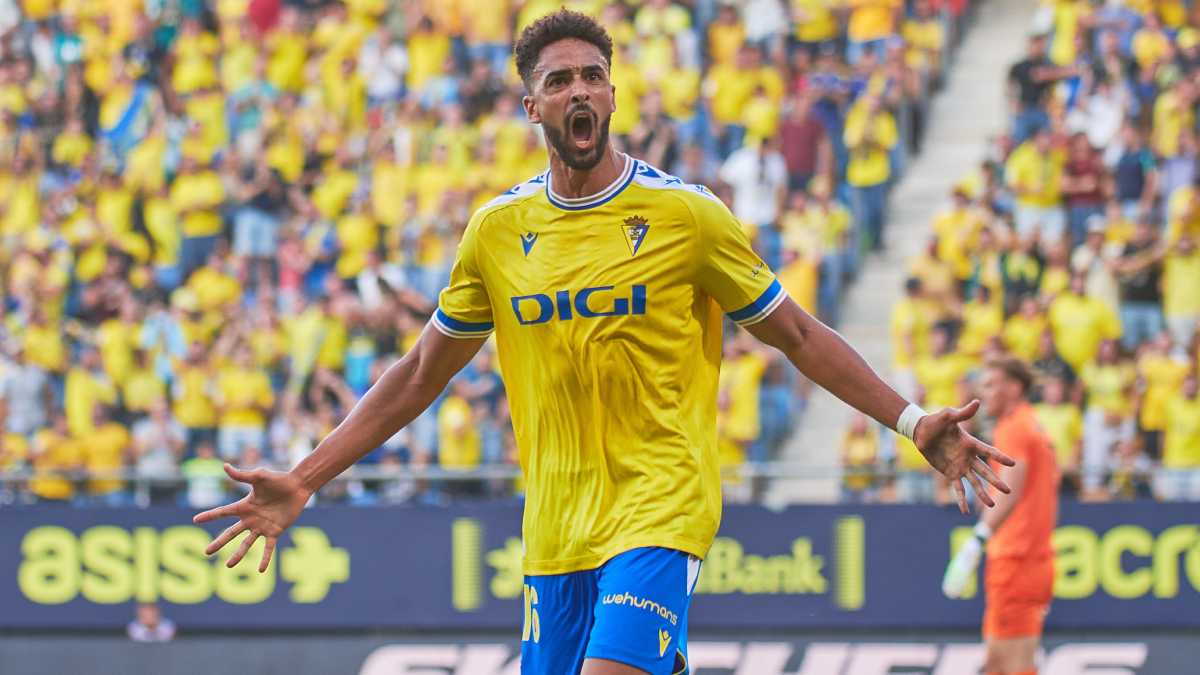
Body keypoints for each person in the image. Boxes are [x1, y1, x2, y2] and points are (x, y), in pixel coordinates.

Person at [194, 12, 1012, 675]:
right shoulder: (497, 232)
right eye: (559, 81)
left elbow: (795, 333)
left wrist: (910, 423)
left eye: (592, 75)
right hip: (556, 529)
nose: (579, 90)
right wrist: (304, 478)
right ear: (533, 107)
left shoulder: (686, 216)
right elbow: (416, 374)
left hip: (661, 506)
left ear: (612, 92)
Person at [943, 358, 1060, 675]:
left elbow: (1011, 489)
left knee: (1013, 666)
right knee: (997, 665)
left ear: (1015, 387)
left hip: (1017, 561)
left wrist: (976, 540)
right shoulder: (1031, 424)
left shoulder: (1014, 427)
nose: (985, 393)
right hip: (1026, 559)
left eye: (992, 384)